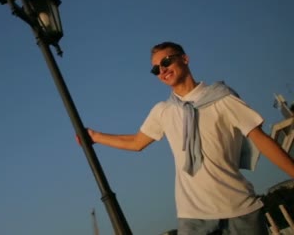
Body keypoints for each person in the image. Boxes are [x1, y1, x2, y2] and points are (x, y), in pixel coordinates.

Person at [79, 41, 294, 234]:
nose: (162, 69)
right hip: (193, 217)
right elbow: (136, 143)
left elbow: (262, 139)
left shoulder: (221, 97)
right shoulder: (163, 111)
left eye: (166, 61)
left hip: (240, 209)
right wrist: (95, 136)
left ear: (184, 58)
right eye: (156, 68)